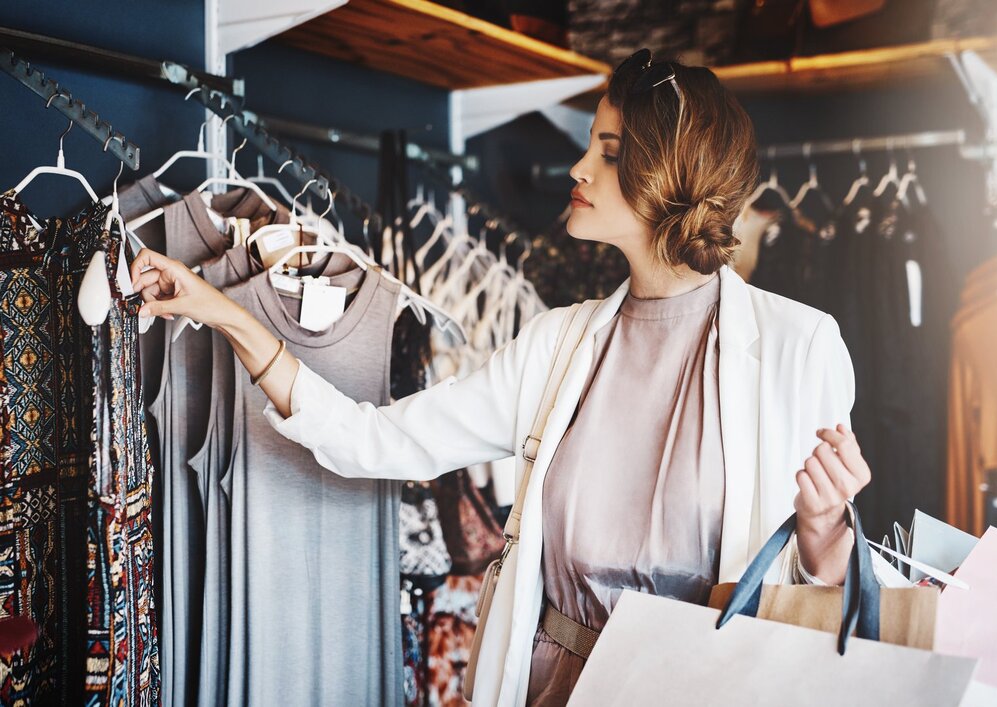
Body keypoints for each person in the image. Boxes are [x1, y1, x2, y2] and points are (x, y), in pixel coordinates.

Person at [129, 49, 872, 707]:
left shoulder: (797, 346)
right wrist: (225, 312)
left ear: (668, 173)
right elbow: (373, 442)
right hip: (552, 686)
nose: (579, 170)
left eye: (608, 152)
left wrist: (824, 530)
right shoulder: (557, 343)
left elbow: (822, 597)